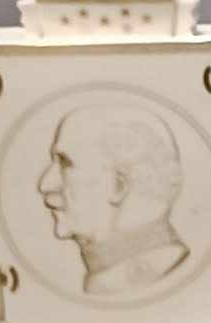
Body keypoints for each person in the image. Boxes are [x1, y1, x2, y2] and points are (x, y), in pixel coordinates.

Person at [36, 98, 190, 297]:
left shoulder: (135, 276)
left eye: (66, 163)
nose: (45, 184)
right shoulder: (104, 276)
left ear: (119, 185)